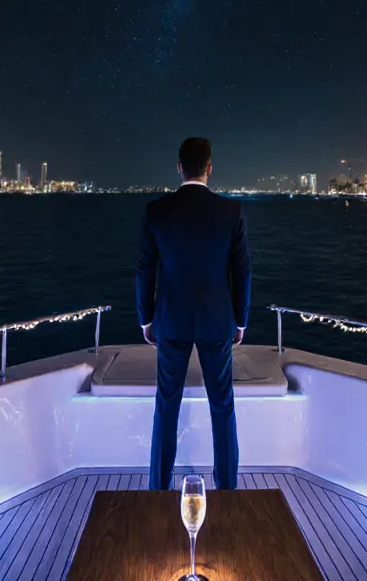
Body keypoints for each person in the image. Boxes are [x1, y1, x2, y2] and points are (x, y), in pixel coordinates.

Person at [136, 137, 252, 491]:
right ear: (209, 169)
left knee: (166, 405)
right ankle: (227, 487)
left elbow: (144, 270)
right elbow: (242, 271)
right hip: (217, 321)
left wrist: (146, 319)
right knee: (223, 406)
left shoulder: (156, 211)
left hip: (170, 321)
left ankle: (158, 487)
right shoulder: (231, 211)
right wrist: (240, 321)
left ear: (179, 167)